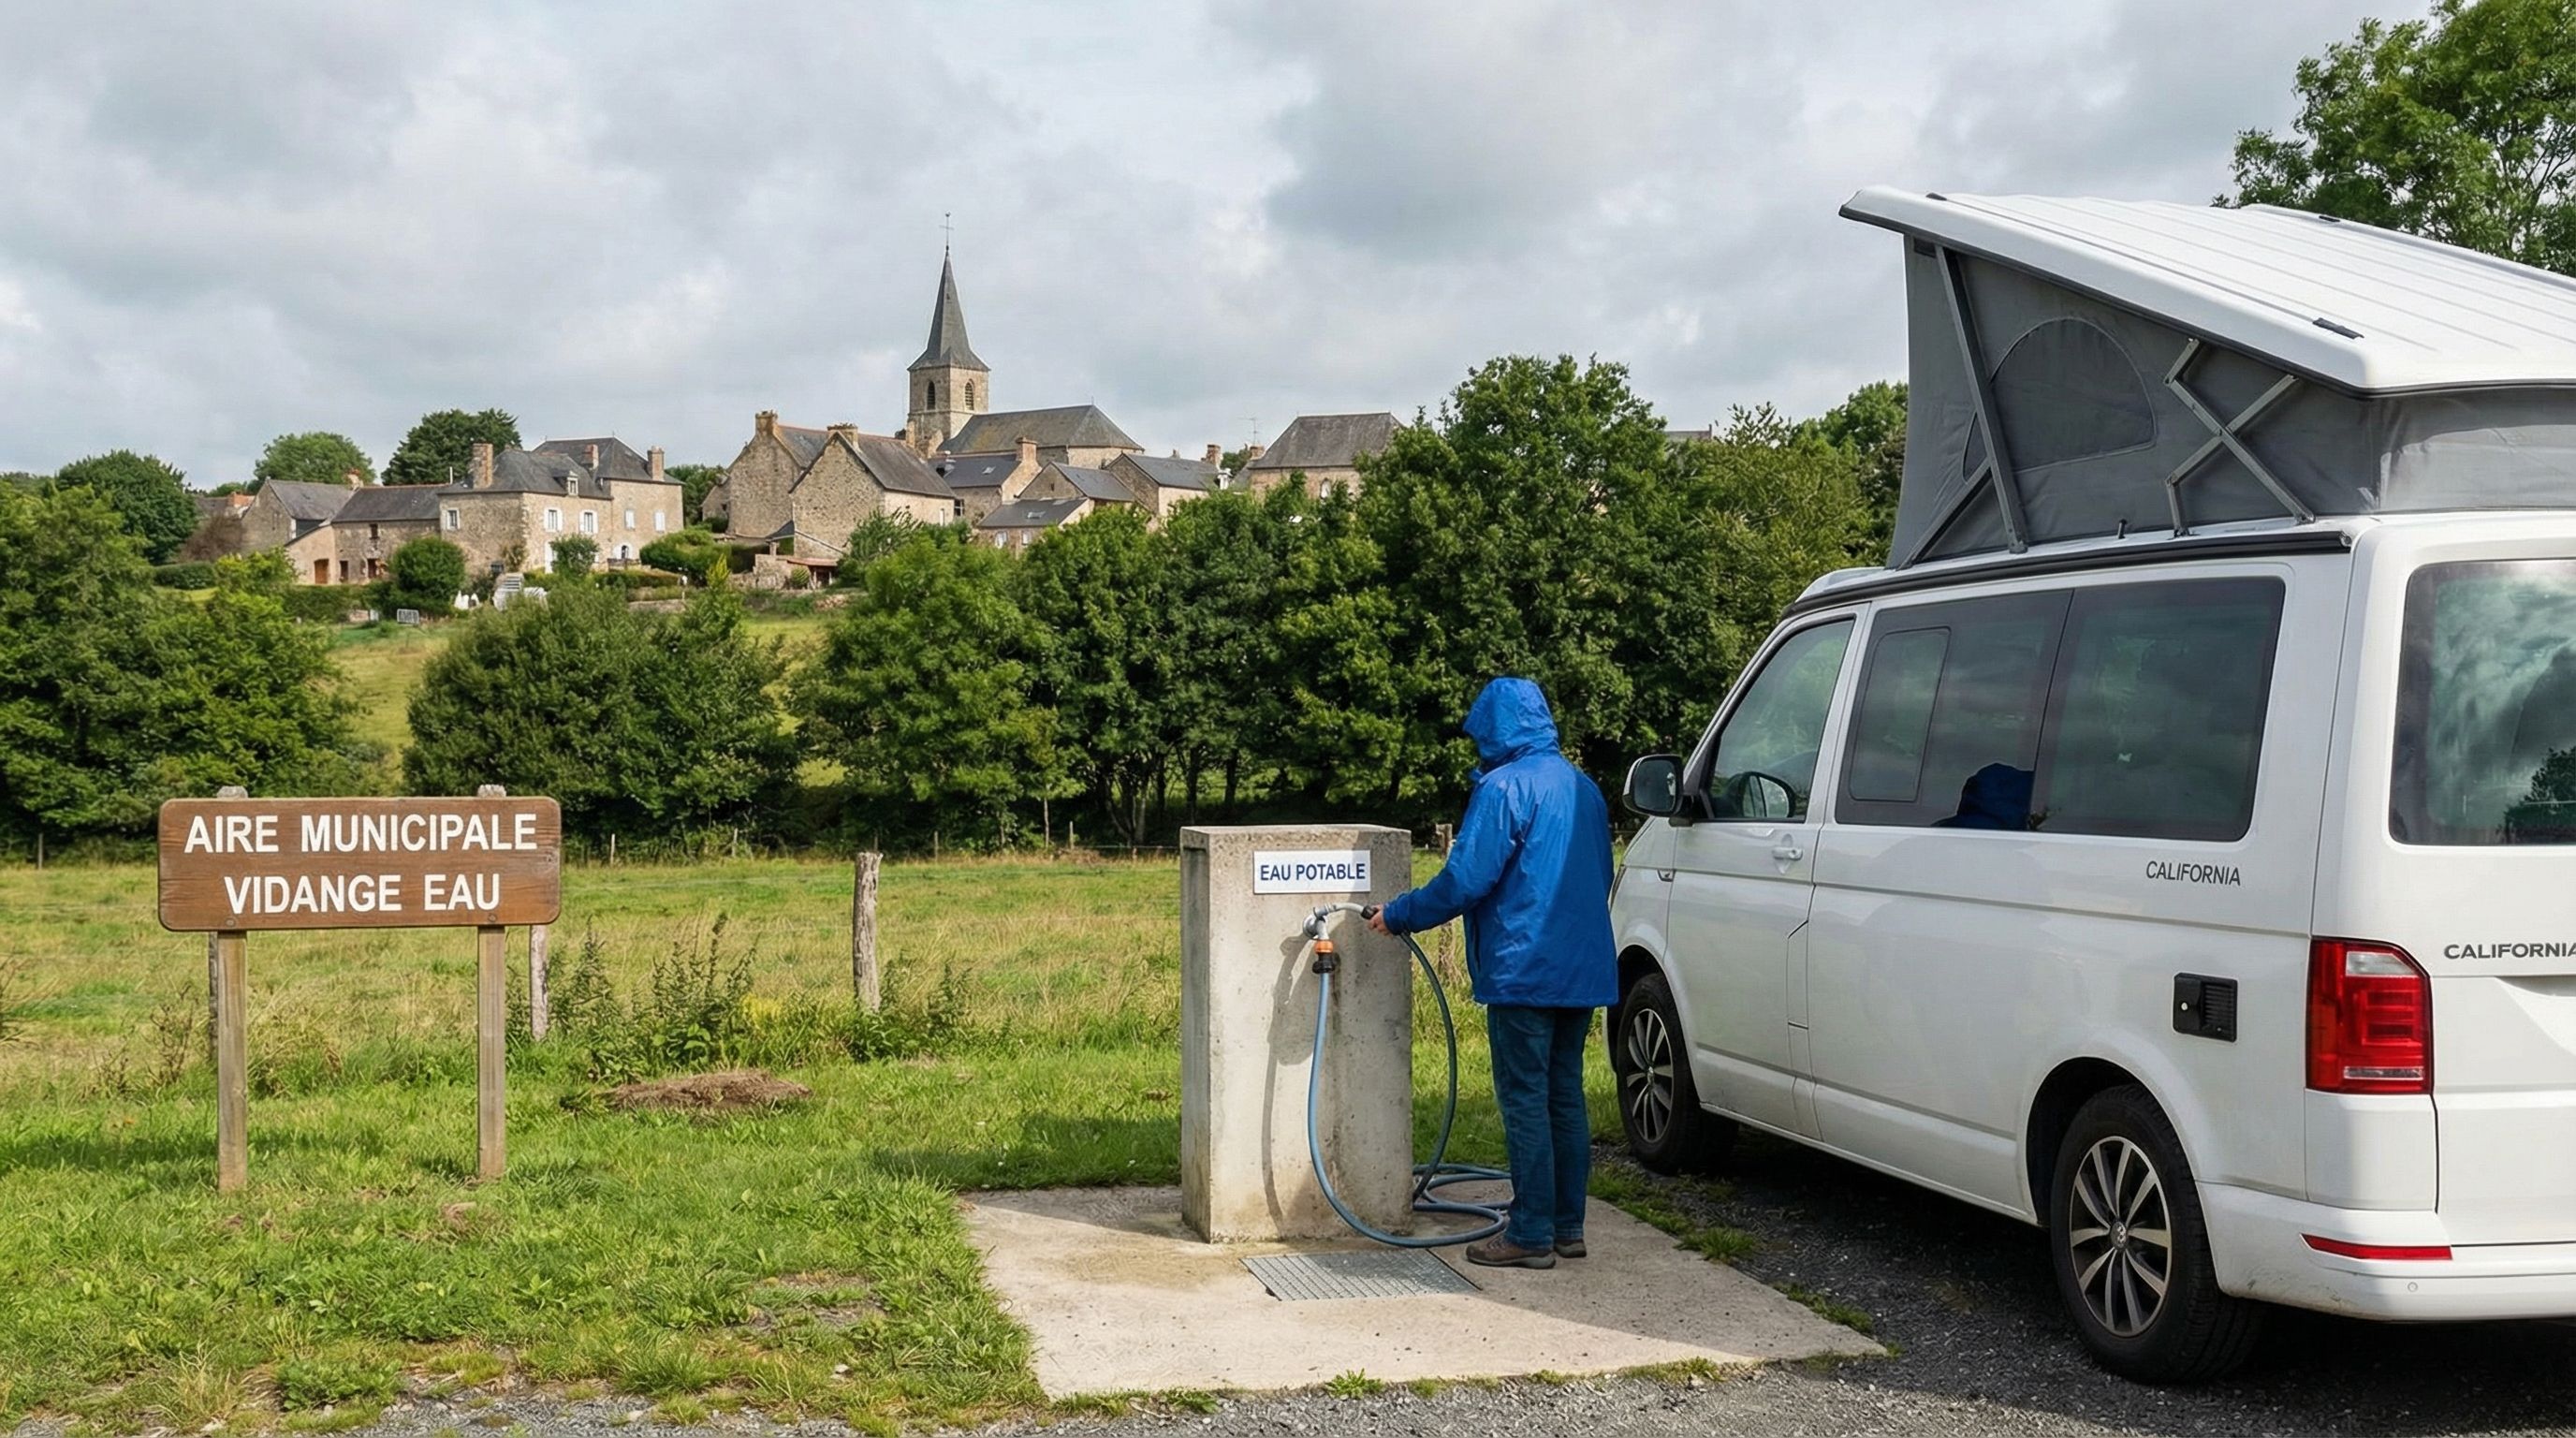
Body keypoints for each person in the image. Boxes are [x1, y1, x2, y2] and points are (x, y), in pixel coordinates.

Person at [1368, 676, 1616, 1269]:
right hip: (1580, 969)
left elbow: (1465, 881)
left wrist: (1399, 914)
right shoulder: (1584, 788)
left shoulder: (1504, 788)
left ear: (1496, 729)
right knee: (1564, 1096)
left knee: (1525, 1098)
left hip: (1524, 969)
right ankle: (1565, 1225)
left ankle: (1529, 1234)